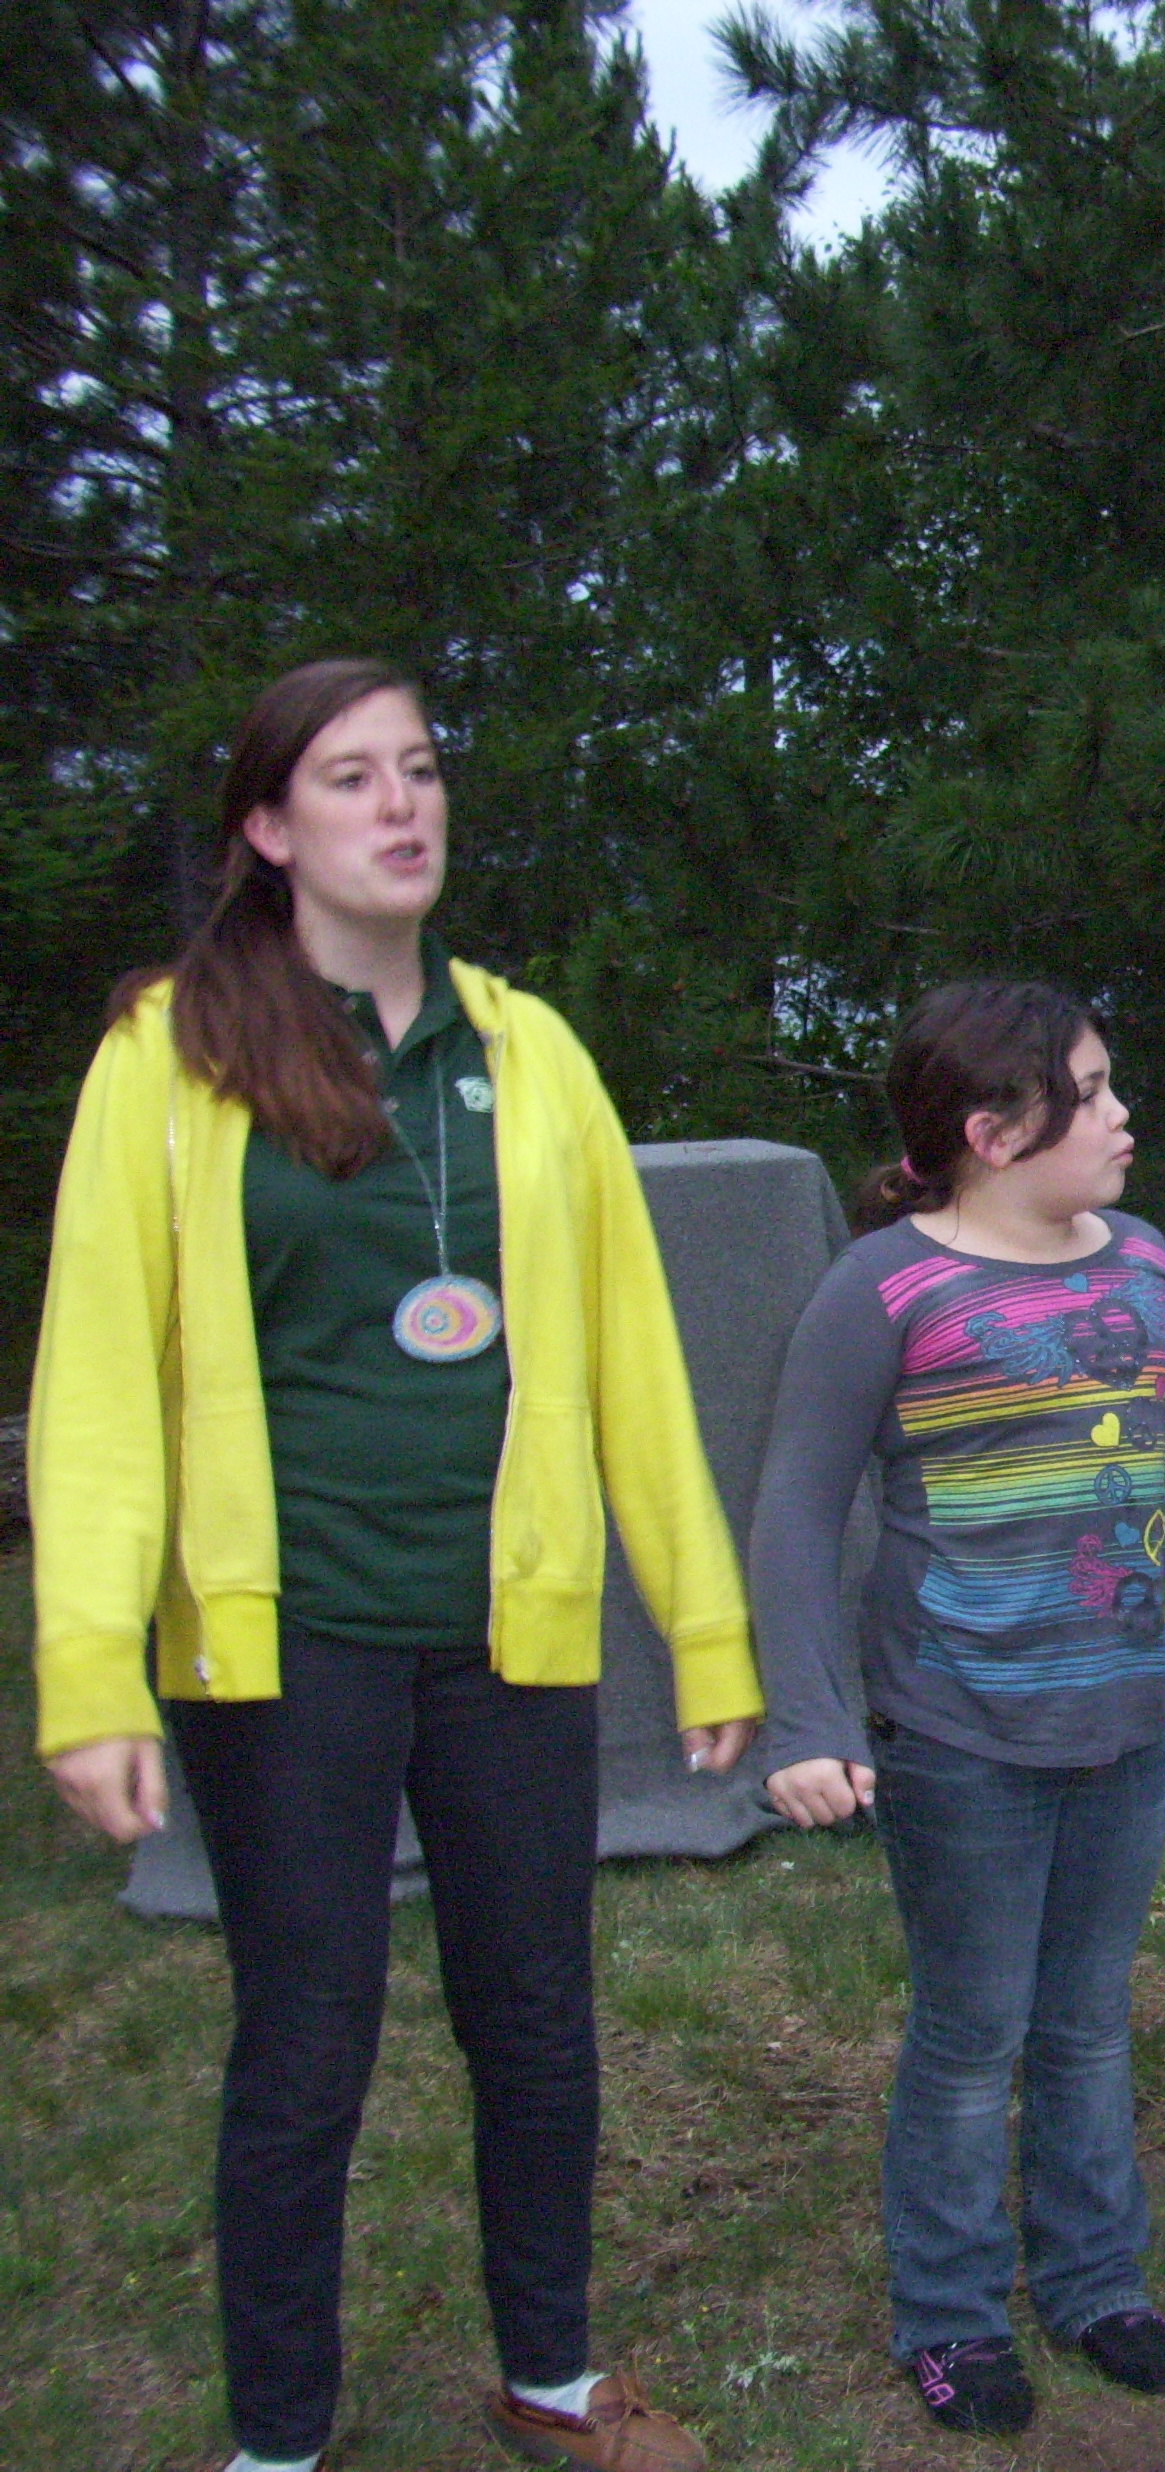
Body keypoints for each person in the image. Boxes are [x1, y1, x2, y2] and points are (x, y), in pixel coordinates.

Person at [27, 659, 757, 2472]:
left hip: (507, 1629)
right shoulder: (168, 1056)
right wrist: (91, 1668)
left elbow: (637, 1362)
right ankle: (280, 2440)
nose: (401, 804)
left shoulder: (531, 1052)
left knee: (537, 2019)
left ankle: (551, 2377)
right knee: (306, 2045)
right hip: (287, 1641)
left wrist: (711, 1629)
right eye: (350, 778)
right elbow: (99, 1379)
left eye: (419, 768)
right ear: (270, 829)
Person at [744, 981, 1165, 2438]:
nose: (1127, 1116)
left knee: (1086, 2026)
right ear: (995, 1131)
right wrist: (807, 1723)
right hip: (957, 1736)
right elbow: (794, 1514)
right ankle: (951, 2316)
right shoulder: (882, 1289)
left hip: (1123, 1724)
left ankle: (1095, 2283)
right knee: (972, 2039)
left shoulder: (1144, 1264)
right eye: (1096, 1091)